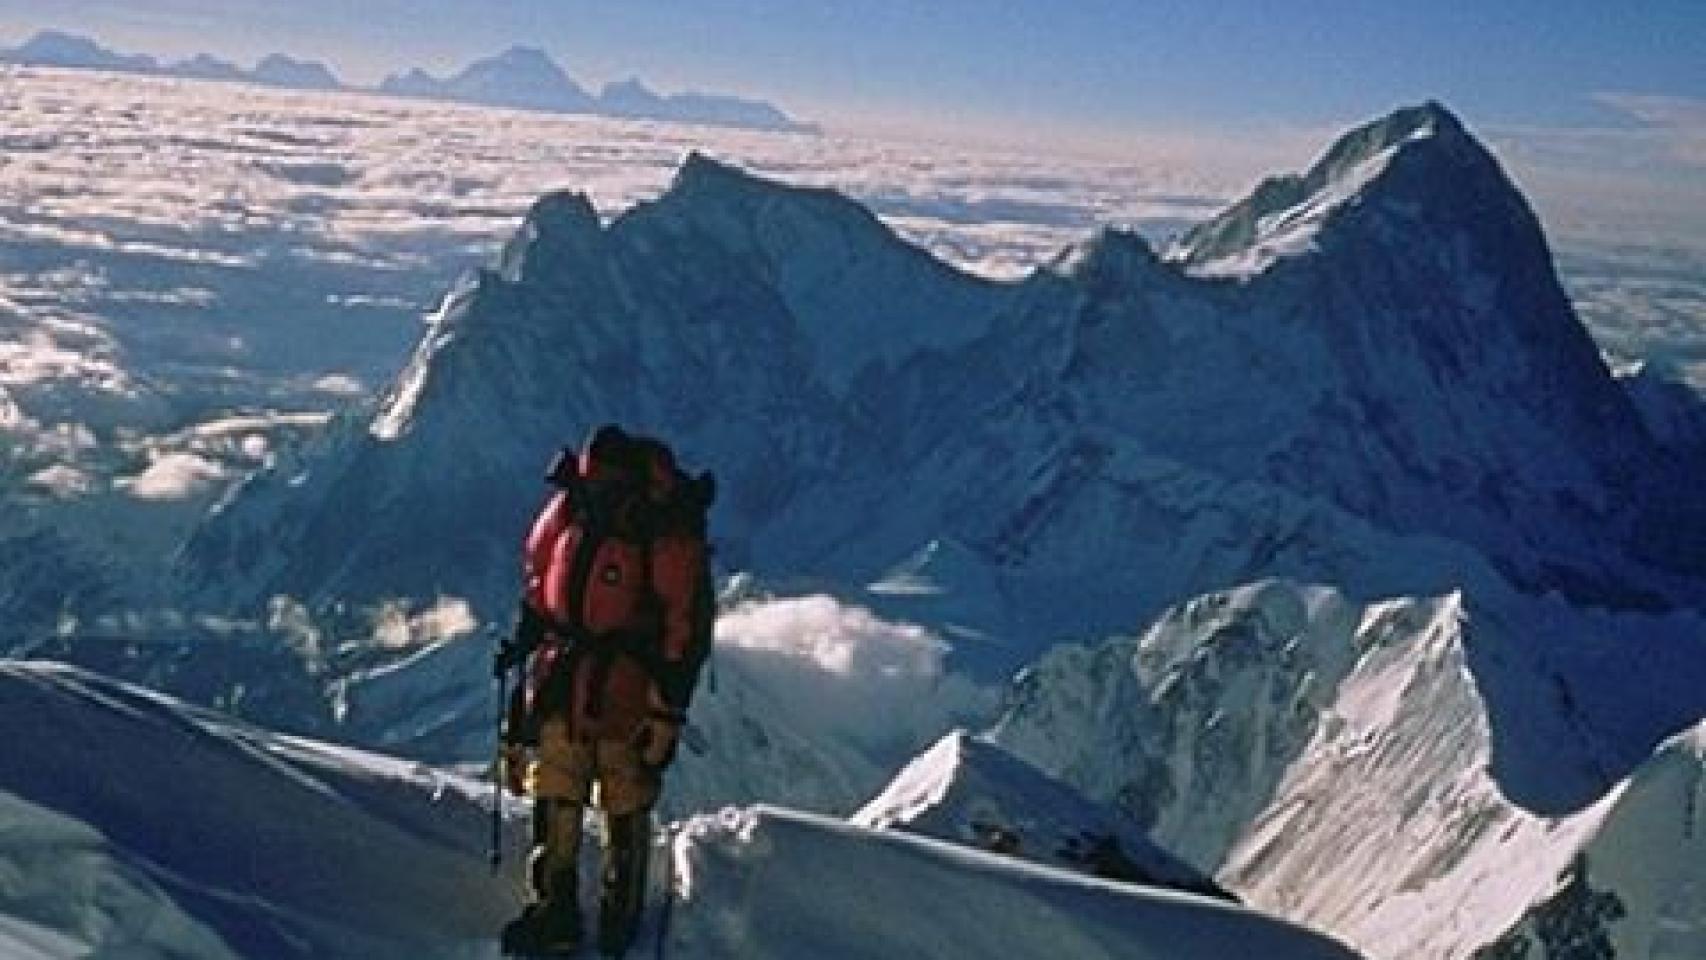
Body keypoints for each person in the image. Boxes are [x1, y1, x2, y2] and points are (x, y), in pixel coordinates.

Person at [496, 424, 714, 958]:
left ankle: (562, 910)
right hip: (610, 680)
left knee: (572, 791)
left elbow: (539, 580)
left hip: (584, 675)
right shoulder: (643, 523)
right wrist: (668, 703)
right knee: (608, 794)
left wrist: (528, 640)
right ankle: (609, 916)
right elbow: (681, 626)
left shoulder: (576, 510)